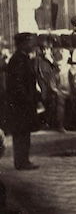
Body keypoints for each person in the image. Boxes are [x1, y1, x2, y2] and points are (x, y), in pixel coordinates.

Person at [6, 32, 40, 170]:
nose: (32, 45)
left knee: (24, 132)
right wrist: (27, 98)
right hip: (21, 104)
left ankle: (23, 160)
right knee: (21, 132)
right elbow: (18, 84)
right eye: (30, 42)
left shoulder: (23, 58)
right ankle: (21, 162)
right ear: (23, 44)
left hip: (24, 103)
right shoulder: (19, 59)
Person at [35, 35, 58, 129]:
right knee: (42, 102)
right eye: (43, 49)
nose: (45, 51)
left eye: (47, 49)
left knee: (52, 102)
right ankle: (43, 123)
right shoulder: (38, 59)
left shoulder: (53, 58)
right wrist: (36, 84)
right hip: (42, 83)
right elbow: (35, 72)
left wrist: (51, 60)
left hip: (52, 84)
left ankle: (50, 123)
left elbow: (58, 68)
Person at [54, 49, 71, 133]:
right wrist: (56, 90)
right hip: (60, 92)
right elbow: (52, 81)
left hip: (69, 90)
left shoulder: (69, 67)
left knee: (70, 108)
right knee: (60, 109)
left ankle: (69, 125)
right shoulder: (57, 68)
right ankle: (60, 126)